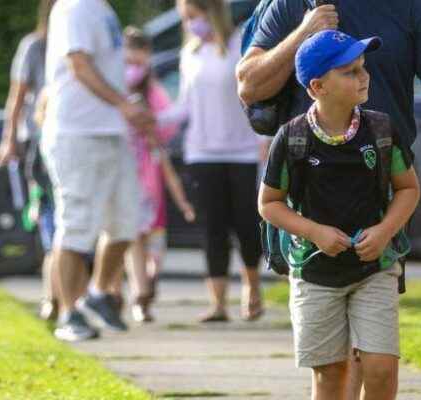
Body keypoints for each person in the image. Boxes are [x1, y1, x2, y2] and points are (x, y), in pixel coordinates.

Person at [258, 30, 420, 400]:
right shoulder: (292, 138)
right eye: (349, 71)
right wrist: (314, 231)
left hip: (374, 267)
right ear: (318, 86)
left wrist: (383, 232)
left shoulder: (381, 130)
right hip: (314, 273)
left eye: (363, 67)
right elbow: (269, 203)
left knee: (381, 367)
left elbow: (408, 189)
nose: (363, 76)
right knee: (330, 376)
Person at [237, 0, 421, 191]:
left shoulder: (409, 5)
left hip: (383, 175)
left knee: (382, 241)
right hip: (306, 178)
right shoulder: (292, 4)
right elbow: (249, 87)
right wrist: (303, 34)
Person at [42, 0, 155, 342]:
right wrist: (122, 104)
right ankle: (68, 313)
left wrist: (128, 105)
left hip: (111, 131)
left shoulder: (103, 9)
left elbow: (106, 70)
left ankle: (97, 293)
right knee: (76, 225)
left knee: (127, 222)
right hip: (76, 133)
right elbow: (79, 65)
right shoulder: (74, 8)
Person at [158, 0, 268, 323]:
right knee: (213, 228)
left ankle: (252, 288)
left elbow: (255, 97)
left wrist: (264, 139)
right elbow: (183, 108)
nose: (189, 24)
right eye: (185, 19)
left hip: (243, 150)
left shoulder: (240, 47)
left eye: (193, 17)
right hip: (202, 152)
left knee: (246, 225)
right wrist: (151, 119)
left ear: (211, 13)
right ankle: (218, 303)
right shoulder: (190, 54)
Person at [121, 26, 196, 323]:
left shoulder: (153, 93)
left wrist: (151, 130)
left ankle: (148, 281)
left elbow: (168, 125)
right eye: (128, 63)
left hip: (149, 180)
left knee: (154, 240)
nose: (132, 71)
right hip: (124, 175)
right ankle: (139, 294)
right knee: (131, 237)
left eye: (138, 64)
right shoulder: (112, 91)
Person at [0, 0, 57, 321]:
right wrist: (9, 140)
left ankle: (64, 293)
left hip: (73, 136)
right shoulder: (35, 47)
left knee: (68, 219)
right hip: (39, 140)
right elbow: (17, 96)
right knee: (47, 214)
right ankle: (52, 294)